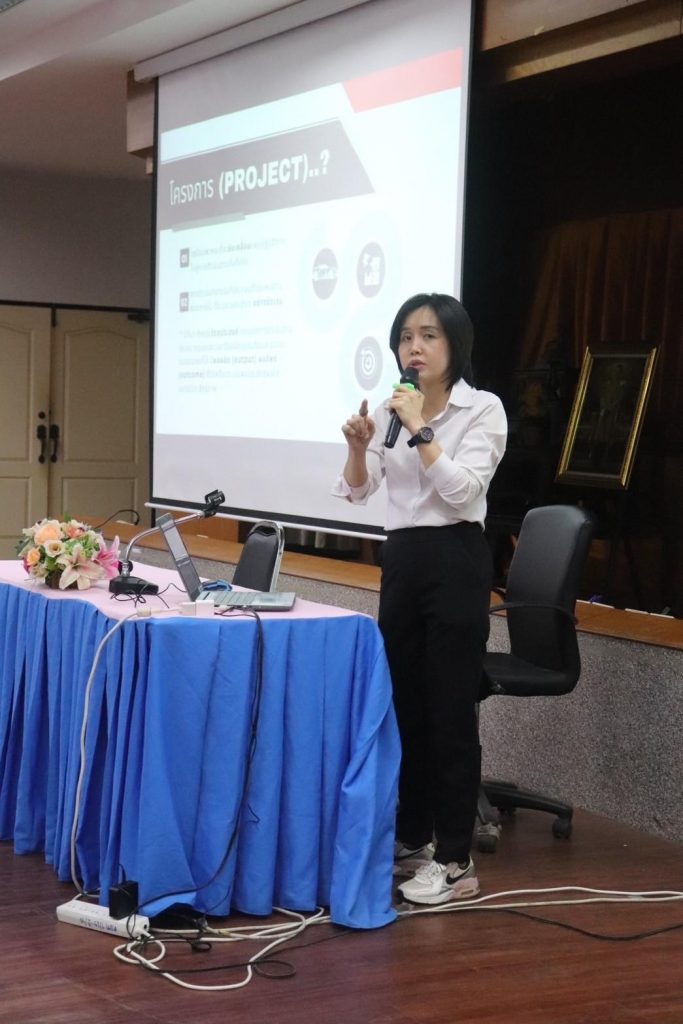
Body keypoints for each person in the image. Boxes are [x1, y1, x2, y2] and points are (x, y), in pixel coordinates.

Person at [333, 293, 507, 905]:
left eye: (429, 336)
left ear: (455, 344)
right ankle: (413, 835)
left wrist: (420, 429)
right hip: (403, 561)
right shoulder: (391, 410)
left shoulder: (482, 409)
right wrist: (359, 447)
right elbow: (359, 492)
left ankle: (456, 860)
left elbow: (462, 492)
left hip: (455, 558)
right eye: (406, 337)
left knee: (450, 709)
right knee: (404, 704)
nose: (415, 347)